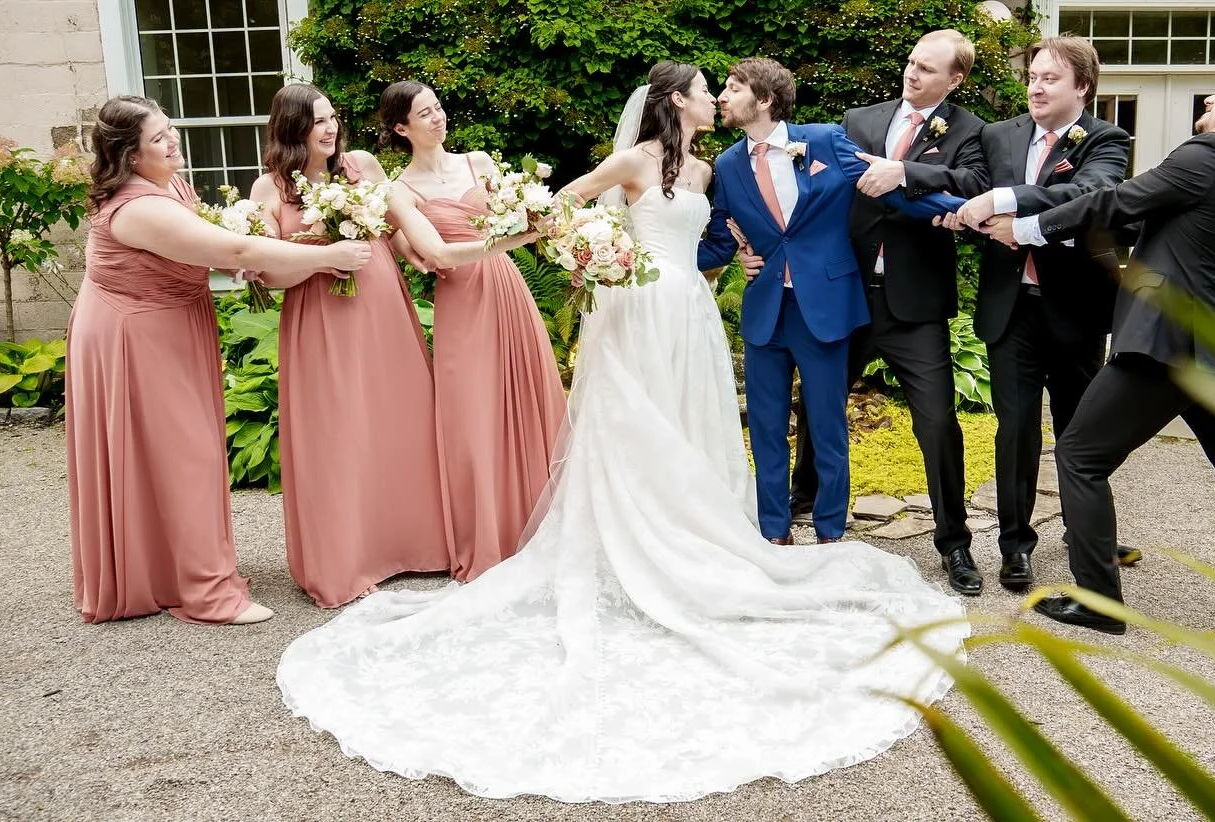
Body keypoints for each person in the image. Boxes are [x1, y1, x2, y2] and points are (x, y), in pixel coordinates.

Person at [275, 63, 969, 802]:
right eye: (706, 89)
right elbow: (565, 206)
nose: (714, 99)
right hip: (636, 308)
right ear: (678, 101)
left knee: (690, 426)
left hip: (691, 317)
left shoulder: (707, 170)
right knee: (637, 430)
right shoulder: (633, 159)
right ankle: (639, 544)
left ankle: (699, 538)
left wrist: (737, 251)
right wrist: (592, 256)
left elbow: (717, 239)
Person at [979, 59, 1215, 637]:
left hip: (1167, 348)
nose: (1211, 97)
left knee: (1080, 456)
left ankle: (1101, 603)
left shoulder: (1211, 155)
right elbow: (1147, 228)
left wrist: (1026, 228)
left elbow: (1118, 202)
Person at [68, 95, 371, 625]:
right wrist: (326, 257)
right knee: (188, 454)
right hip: (135, 333)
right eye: (158, 138)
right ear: (130, 156)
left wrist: (245, 259)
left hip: (170, 323)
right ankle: (206, 593)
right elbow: (233, 252)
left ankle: (169, 571)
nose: (173, 140)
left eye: (170, 129)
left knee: (174, 452)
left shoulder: (170, 185)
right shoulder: (139, 207)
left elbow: (214, 250)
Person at [697, 57, 966, 545]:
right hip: (765, 310)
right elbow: (718, 238)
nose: (721, 97)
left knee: (826, 426)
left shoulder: (822, 140)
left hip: (823, 306)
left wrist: (963, 212)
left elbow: (888, 193)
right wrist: (649, 258)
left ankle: (829, 532)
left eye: (733, 88)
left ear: (764, 99)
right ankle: (774, 531)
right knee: (765, 426)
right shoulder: (726, 165)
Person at [790, 29, 989, 582]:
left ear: (955, 78)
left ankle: (954, 541)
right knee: (816, 399)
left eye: (927, 69)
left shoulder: (971, 130)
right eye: (910, 63)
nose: (912, 73)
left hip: (915, 304)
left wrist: (905, 173)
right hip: (846, 292)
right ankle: (803, 496)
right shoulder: (859, 120)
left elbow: (973, 180)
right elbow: (818, 189)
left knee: (937, 421)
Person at [247, 84, 453, 607]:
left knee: (399, 417)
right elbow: (266, 274)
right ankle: (346, 558)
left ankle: (416, 545)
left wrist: (422, 256)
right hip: (320, 319)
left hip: (382, 307)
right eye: (318, 121)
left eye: (333, 117)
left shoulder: (362, 165)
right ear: (292, 127)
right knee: (335, 430)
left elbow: (394, 231)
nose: (331, 128)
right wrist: (322, 257)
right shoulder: (267, 191)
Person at [944, 36, 1130, 596]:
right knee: (1016, 431)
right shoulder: (998, 135)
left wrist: (1002, 202)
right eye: (1033, 77)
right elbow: (965, 185)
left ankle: (1087, 538)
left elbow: (1090, 193)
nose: (1036, 86)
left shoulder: (1106, 139)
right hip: (1009, 311)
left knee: (1080, 434)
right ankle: (1015, 545)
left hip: (1075, 310)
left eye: (1050, 78)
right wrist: (949, 209)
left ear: (1083, 88)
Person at [376, 80, 567, 581]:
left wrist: (537, 223)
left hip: (507, 291)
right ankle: (488, 537)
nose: (438, 118)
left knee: (527, 398)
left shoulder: (479, 162)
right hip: (461, 300)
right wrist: (516, 238)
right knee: (473, 413)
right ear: (401, 128)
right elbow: (436, 254)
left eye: (438, 107)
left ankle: (545, 528)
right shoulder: (399, 191)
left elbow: (525, 210)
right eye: (424, 113)